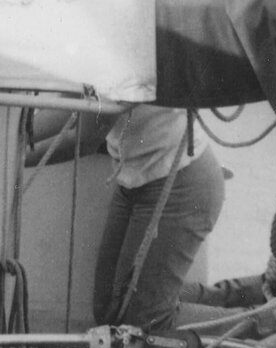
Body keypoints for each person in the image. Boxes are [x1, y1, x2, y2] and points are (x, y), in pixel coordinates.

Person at [29, 103, 262, 333]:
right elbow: (71, 98)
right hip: (135, 182)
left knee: (148, 318)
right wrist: (19, 132)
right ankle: (260, 289)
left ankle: (272, 319)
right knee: (109, 310)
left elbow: (86, 139)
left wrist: (15, 155)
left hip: (181, 184)